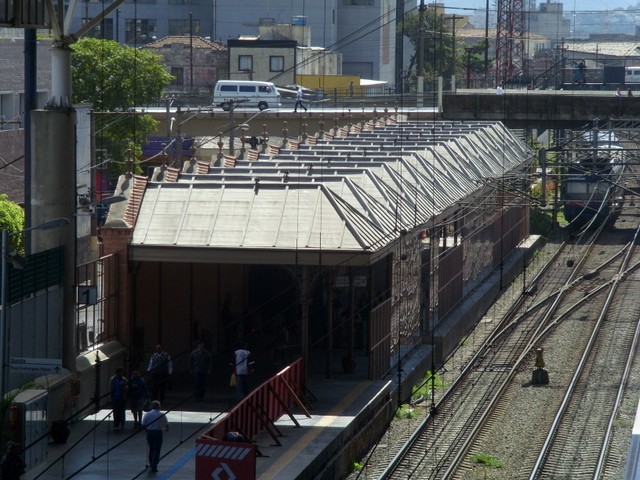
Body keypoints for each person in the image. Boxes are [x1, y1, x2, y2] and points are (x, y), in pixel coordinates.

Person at [141, 400, 169, 473]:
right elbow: (167, 425)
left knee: (151, 448)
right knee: (157, 449)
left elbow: (143, 424)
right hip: (158, 433)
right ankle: (154, 465)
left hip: (150, 433)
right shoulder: (161, 414)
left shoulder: (147, 414)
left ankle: (151, 463)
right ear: (158, 407)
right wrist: (166, 429)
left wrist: (147, 430)